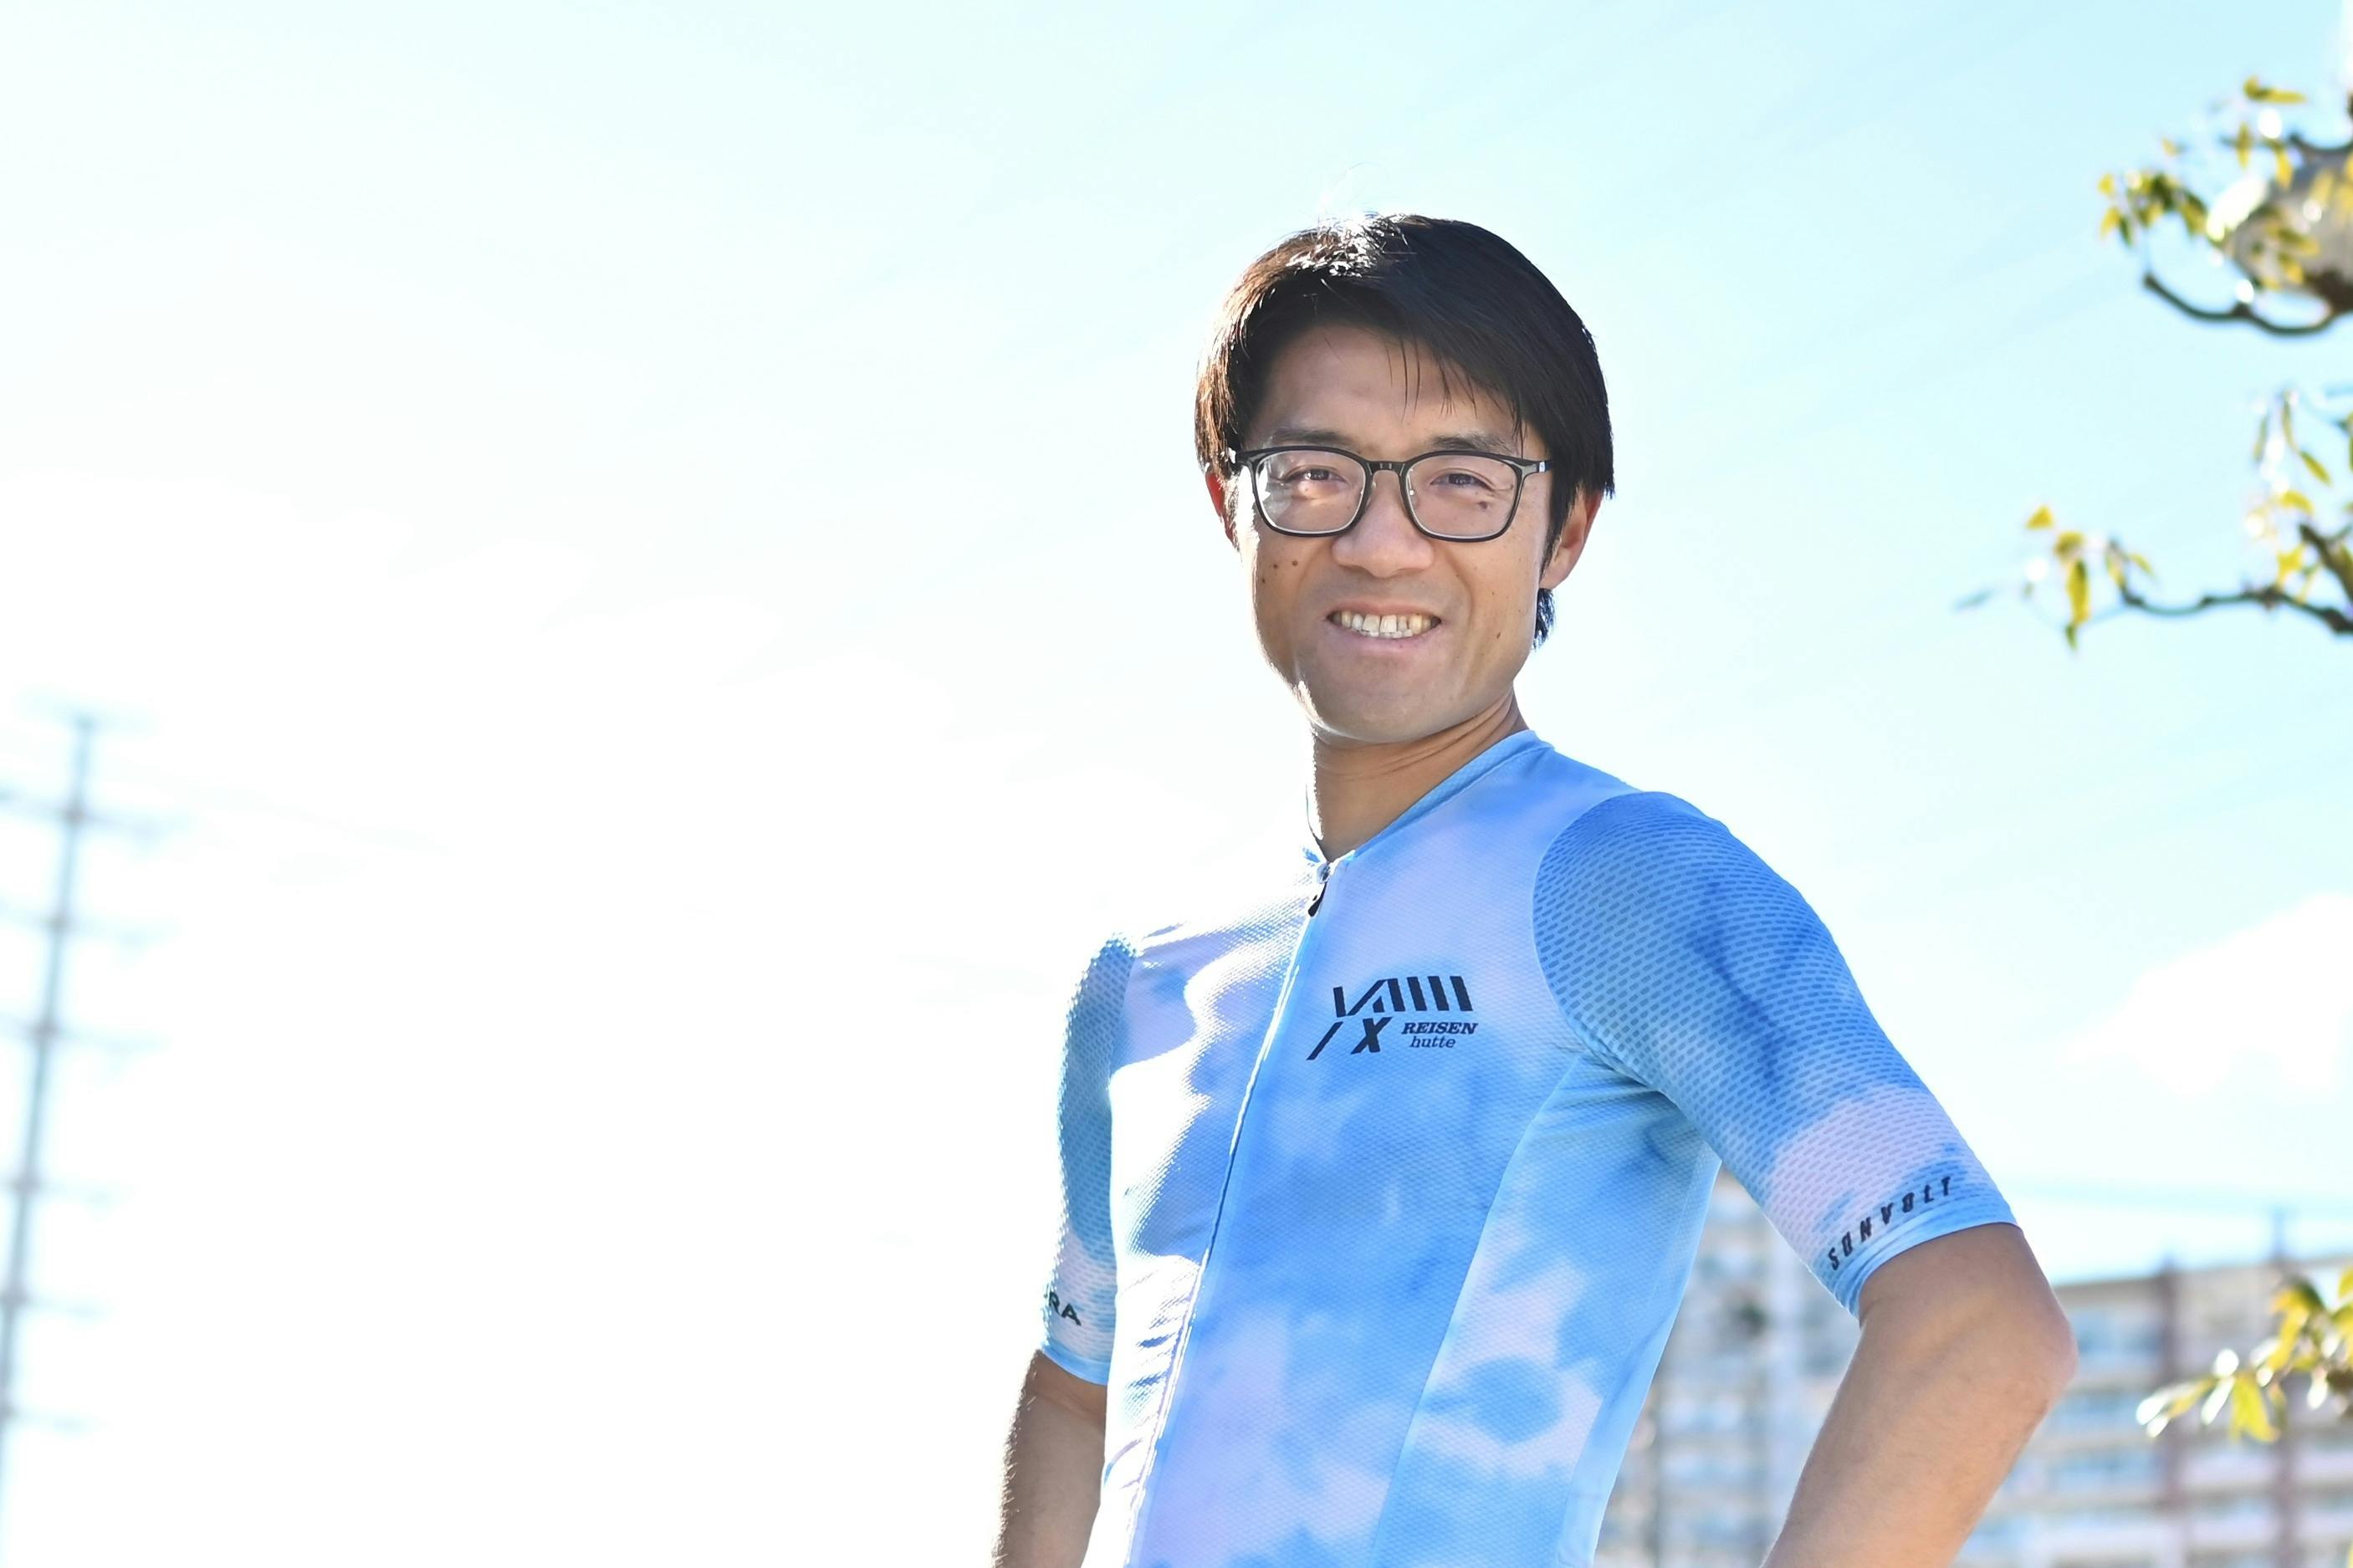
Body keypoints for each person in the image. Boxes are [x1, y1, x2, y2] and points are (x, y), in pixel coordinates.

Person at [992, 212, 2075, 1568]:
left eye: (1460, 482)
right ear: (1233, 504)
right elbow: (1073, 1390)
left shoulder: (1627, 883)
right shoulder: (1142, 975)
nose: (1381, 544)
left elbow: (1978, 1326)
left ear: (1563, 530)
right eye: (1315, 474)